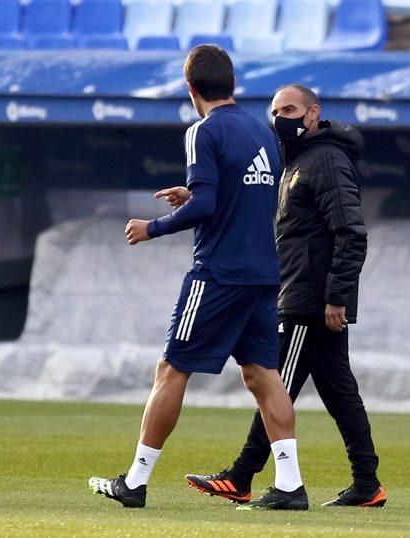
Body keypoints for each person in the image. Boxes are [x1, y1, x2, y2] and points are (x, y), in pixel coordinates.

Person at [88, 46, 308, 511]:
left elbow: (207, 207)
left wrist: (153, 227)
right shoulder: (262, 132)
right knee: (263, 375)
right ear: (231, 83)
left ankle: (136, 481)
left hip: (219, 274)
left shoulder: (202, 131)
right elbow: (244, 194)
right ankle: (290, 485)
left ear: (191, 89)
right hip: (264, 274)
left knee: (171, 370)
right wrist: (194, 193)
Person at [180, 84, 387, 507]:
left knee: (276, 384)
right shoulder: (295, 162)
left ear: (313, 114)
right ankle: (367, 484)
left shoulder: (326, 160)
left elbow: (351, 233)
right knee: (339, 392)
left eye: (289, 110)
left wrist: (336, 297)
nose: (280, 119)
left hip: (310, 300)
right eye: (274, 111)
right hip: (302, 292)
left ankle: (243, 476)